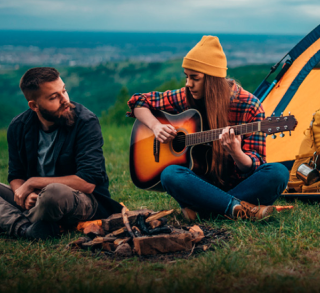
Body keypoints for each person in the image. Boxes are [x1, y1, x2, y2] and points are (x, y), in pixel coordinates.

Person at [127, 36, 289, 221]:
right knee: (171, 174)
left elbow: (255, 165)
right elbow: (138, 102)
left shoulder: (250, 105)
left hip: (239, 185)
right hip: (200, 184)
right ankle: (237, 208)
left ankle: (208, 210)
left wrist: (237, 153)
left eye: (195, 78)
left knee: (278, 173)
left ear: (212, 80)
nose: (188, 84)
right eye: (187, 77)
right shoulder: (187, 96)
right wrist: (156, 126)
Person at [0, 67, 122, 240]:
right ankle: (27, 229)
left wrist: (33, 183)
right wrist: (25, 194)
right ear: (34, 106)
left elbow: (88, 183)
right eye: (53, 97)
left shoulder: (85, 122)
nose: (65, 100)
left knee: (53, 193)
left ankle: (13, 221)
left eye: (64, 91)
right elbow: (16, 175)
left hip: (80, 199)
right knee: (46, 194)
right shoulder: (18, 127)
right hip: (36, 201)